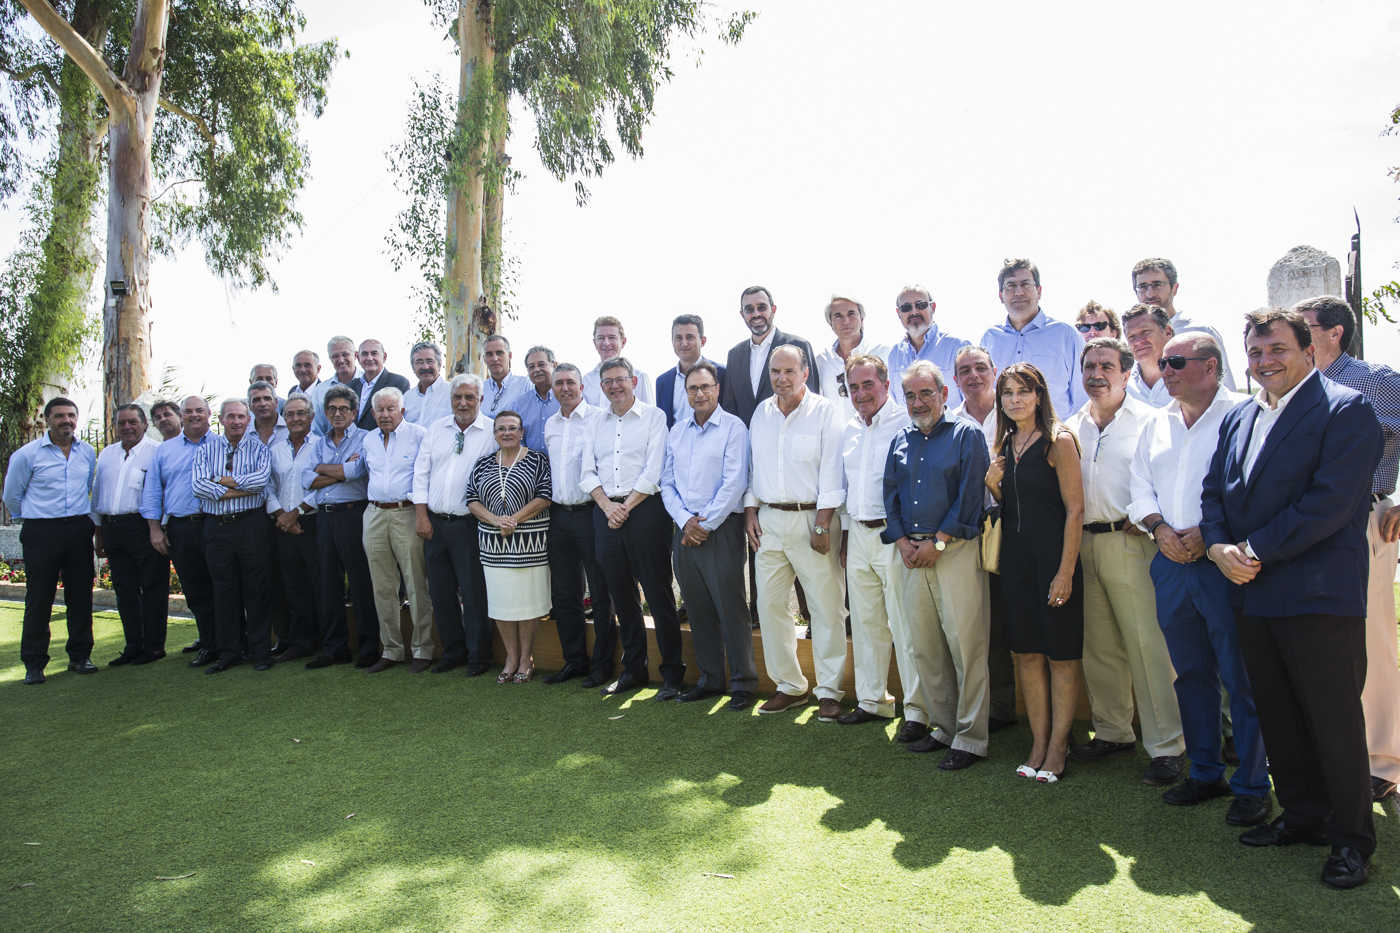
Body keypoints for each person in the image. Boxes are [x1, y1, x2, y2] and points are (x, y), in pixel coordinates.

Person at [1202, 308, 1381, 888]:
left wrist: (1251, 549)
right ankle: (1303, 816)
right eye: (1255, 353)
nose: (1264, 362)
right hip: (1252, 593)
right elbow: (1214, 491)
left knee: (1333, 721)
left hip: (1318, 595)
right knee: (1278, 714)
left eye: (1277, 349)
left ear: (1308, 350)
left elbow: (1329, 503)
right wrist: (1218, 547)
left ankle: (1351, 840)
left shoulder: (1347, 410)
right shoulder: (1240, 416)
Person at [1129, 332, 1270, 822]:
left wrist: (1208, 536)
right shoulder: (1157, 422)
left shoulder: (1246, 415)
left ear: (1211, 366)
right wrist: (1159, 528)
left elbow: (1253, 489)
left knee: (1241, 677)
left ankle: (1253, 784)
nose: (1164, 371)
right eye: (1163, 362)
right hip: (1170, 564)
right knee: (1190, 675)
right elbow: (1138, 486)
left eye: (1176, 362)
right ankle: (1205, 772)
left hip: (1224, 566)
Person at [1064, 339, 1186, 785]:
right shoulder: (1071, 425)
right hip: (1085, 543)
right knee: (1099, 647)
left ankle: (1167, 746)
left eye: (1106, 366)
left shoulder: (1152, 420)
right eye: (1089, 367)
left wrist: (1152, 517)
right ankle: (1113, 732)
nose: (1096, 374)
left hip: (1131, 542)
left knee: (1147, 647)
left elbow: (1171, 475)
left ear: (1126, 373)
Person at [1296, 295, 1400, 802]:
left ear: (1334, 332)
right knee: (1319, 643)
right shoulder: (1294, 386)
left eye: (1304, 327)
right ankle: (1330, 753)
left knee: (1372, 643)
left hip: (1365, 520)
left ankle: (1383, 760)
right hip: (1304, 527)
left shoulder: (1376, 380)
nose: (1294, 335)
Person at [883, 361, 991, 769]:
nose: (918, 402)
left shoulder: (967, 435)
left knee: (966, 648)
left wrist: (939, 542)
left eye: (926, 393)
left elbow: (970, 496)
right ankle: (943, 728)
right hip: (912, 555)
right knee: (926, 648)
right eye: (910, 395)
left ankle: (971, 739)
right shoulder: (901, 439)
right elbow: (889, 493)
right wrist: (902, 541)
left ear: (944, 394)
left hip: (954, 551)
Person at [985, 363, 1083, 782]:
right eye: (1007, 393)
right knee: (1026, 654)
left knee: (1061, 656)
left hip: (1054, 563)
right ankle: (1038, 743)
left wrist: (1065, 572)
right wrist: (992, 484)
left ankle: (1059, 747)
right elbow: (1008, 508)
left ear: (1039, 395)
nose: (1015, 400)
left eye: (1023, 391)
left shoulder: (1059, 442)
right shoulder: (1005, 445)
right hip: (1016, 565)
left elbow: (1075, 511)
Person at [745, 345, 847, 719]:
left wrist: (822, 522)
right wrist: (750, 509)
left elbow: (833, 471)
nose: (782, 378)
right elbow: (754, 467)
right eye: (775, 372)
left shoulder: (825, 411)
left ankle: (830, 691)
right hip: (769, 521)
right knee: (770, 606)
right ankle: (790, 685)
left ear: (805, 373)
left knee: (826, 607)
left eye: (789, 371)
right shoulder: (761, 413)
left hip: (814, 519)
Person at [580, 356, 684, 698]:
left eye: (620, 379)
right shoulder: (595, 422)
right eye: (607, 381)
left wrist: (624, 507)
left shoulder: (654, 417)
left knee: (657, 593)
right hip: (606, 512)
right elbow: (587, 472)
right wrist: (608, 506)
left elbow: (654, 470)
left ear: (634, 381)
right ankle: (633, 670)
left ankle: (672, 674)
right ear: (601, 386)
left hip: (645, 511)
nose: (614, 386)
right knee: (621, 596)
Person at [660, 360, 756, 708]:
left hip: (721, 529)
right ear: (686, 393)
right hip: (685, 530)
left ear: (717, 389)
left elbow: (735, 482)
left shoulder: (734, 428)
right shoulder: (677, 431)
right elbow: (666, 482)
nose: (699, 394)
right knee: (698, 608)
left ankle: (743, 683)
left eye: (705, 387)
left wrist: (705, 524)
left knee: (731, 607)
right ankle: (711, 678)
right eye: (693, 389)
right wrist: (686, 521)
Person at [836, 355, 911, 728]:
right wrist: (845, 537)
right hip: (858, 534)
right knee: (866, 624)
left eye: (868, 384)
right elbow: (847, 486)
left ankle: (917, 710)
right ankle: (872, 701)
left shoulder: (905, 422)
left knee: (905, 625)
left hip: (894, 536)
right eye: (854, 387)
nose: (861, 393)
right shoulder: (850, 428)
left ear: (886, 383)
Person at [4, 397, 98, 684]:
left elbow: (88, 487)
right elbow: (11, 496)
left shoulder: (87, 452)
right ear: (47, 420)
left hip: (78, 529)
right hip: (42, 531)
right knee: (39, 597)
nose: (66, 420)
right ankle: (34, 663)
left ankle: (80, 656)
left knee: (80, 595)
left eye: (71, 415)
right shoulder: (27, 455)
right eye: (59, 416)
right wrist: (34, 519)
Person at [949, 345, 1016, 731]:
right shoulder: (951, 421)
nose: (973, 376)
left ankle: (1020, 707)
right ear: (955, 379)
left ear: (995, 371)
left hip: (1015, 527)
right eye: (964, 371)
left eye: (980, 368)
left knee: (1014, 618)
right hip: (969, 532)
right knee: (979, 623)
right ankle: (994, 708)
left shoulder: (1013, 414)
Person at [413, 373, 497, 676]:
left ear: (481, 399)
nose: (462, 403)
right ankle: (453, 652)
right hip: (435, 524)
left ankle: (478, 656)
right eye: (457, 397)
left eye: (469, 397)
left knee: (474, 593)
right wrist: (421, 515)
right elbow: (421, 473)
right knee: (441, 592)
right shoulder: (437, 429)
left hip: (470, 525)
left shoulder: (492, 431)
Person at [543, 363, 617, 687]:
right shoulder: (550, 424)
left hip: (591, 512)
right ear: (553, 389)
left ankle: (603, 664)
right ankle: (574, 661)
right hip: (559, 515)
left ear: (582, 387)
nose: (565, 388)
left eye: (570, 382)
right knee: (564, 593)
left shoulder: (599, 419)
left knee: (600, 591)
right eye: (559, 383)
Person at [467, 410, 553, 682]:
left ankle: (526, 658)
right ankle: (511, 657)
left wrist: (515, 519)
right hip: (494, 546)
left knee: (527, 604)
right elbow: (471, 498)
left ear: (522, 432)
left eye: (512, 428)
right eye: (501, 428)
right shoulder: (483, 463)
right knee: (501, 604)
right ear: (494, 434)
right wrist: (496, 520)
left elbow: (545, 496)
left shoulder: (537, 460)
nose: (507, 433)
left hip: (530, 545)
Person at [191, 398, 273, 674]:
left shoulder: (259, 448)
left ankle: (260, 652)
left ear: (248, 420)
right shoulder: (206, 449)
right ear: (221, 420)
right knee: (224, 590)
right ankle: (230, 652)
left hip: (250, 524)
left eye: (241, 416)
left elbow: (261, 482)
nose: (236, 421)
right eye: (231, 416)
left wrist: (219, 481)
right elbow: (198, 486)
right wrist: (240, 487)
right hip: (217, 527)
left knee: (256, 589)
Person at [354, 387, 432, 674]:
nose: (385, 414)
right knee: (382, 587)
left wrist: (423, 515)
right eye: (380, 410)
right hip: (374, 514)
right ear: (373, 413)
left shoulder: (419, 435)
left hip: (407, 513)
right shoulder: (368, 439)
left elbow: (426, 474)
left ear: (402, 411)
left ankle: (422, 649)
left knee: (416, 583)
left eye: (391, 409)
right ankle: (391, 649)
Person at [303, 385, 381, 668]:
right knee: (328, 584)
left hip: (353, 514)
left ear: (354, 412)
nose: (338, 414)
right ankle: (334, 648)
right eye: (332, 409)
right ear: (325, 413)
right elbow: (306, 479)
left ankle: (368, 647)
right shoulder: (318, 443)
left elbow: (357, 471)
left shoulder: (366, 438)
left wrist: (323, 468)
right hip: (324, 517)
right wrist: (340, 471)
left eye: (343, 409)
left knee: (360, 583)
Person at [141, 395, 219, 663]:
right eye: (189, 411)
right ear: (182, 416)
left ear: (209, 413)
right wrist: (155, 530)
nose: (194, 415)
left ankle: (232, 642)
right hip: (182, 527)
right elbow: (153, 491)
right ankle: (208, 643)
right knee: (195, 588)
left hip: (216, 523)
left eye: (199, 410)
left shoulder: (223, 444)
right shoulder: (165, 451)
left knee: (224, 585)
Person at [92, 403, 168, 666]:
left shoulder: (156, 452)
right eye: (121, 423)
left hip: (144, 526)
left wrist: (158, 529)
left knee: (153, 587)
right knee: (124, 590)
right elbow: (98, 496)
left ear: (145, 424)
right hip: (113, 527)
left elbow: (163, 493)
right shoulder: (107, 454)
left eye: (132, 422)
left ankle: (154, 647)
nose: (127, 427)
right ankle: (133, 645)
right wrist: (99, 533)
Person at [981, 259, 1086, 419]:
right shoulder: (990, 339)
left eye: (1025, 284)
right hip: (1003, 433)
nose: (1018, 292)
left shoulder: (1065, 335)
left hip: (1054, 433)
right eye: (1011, 286)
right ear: (1001, 295)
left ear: (1039, 291)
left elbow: (1082, 398)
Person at [264, 394, 322, 663]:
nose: (296, 418)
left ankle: (323, 640)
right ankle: (300, 642)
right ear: (283, 418)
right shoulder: (275, 449)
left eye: (301, 413)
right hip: (283, 526)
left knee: (318, 583)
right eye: (290, 414)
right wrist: (281, 515)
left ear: (311, 416)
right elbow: (267, 486)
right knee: (292, 584)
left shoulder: (321, 445)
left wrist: (296, 513)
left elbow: (325, 485)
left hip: (311, 523)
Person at [720, 285, 819, 426]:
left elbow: (811, 400)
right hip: (746, 438)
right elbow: (729, 408)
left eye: (761, 307)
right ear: (742, 314)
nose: (756, 314)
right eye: (749, 309)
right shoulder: (734, 355)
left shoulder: (799, 346)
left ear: (773, 309)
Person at [1131, 257, 1236, 389]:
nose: (1150, 293)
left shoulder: (1201, 332)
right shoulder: (1132, 341)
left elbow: (1226, 386)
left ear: (1174, 288)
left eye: (1157, 285)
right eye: (1142, 286)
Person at [885, 285, 968, 407]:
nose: (914, 312)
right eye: (906, 308)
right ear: (898, 313)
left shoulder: (957, 348)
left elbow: (972, 401)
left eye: (921, 305)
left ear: (932, 307)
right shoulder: (894, 356)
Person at [814, 295, 891, 410]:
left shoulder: (883, 353)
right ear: (830, 323)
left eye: (851, 314)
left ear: (862, 318)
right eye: (838, 316)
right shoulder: (822, 361)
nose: (846, 321)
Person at [656, 314, 725, 429]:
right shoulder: (663, 382)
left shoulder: (722, 374)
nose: (684, 343)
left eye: (689, 337)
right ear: (672, 342)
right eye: (678, 338)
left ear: (703, 341)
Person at [583, 316, 653, 407]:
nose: (606, 343)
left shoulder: (640, 377)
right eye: (601, 338)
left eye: (611, 337)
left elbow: (649, 413)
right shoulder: (586, 380)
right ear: (595, 343)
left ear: (623, 342)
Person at [351, 338, 411, 430]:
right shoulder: (350, 386)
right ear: (358, 358)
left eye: (374, 353)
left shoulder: (399, 383)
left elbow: (401, 420)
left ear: (384, 357)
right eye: (364, 354)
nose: (369, 358)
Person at [1122, 304, 1175, 408]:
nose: (1138, 341)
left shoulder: (1189, 377)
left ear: (1168, 332)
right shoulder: (1122, 385)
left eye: (1145, 332)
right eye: (1131, 336)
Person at [310, 336, 360, 435]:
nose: (341, 360)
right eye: (335, 356)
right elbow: (317, 429)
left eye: (345, 354)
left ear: (355, 355)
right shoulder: (320, 390)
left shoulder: (369, 384)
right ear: (330, 359)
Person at [519, 345, 560, 451]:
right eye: (531, 367)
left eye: (541, 364)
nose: (536, 370)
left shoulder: (567, 399)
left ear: (555, 365)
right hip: (530, 461)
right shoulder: (519, 404)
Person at [481, 334, 532, 418]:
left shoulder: (525, 385)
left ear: (510, 355)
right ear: (484, 359)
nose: (495, 358)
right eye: (489, 354)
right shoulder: (479, 389)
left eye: (499, 353)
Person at [403, 340, 452, 426]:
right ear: (413, 367)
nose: (425, 367)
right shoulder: (407, 398)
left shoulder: (452, 393)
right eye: (419, 362)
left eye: (429, 361)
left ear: (439, 364)